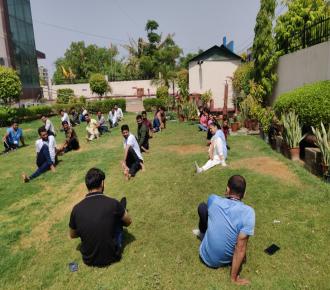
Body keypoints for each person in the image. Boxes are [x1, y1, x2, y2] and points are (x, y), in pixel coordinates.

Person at [193, 175, 255, 286]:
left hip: (204, 255)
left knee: (203, 207)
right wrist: (234, 278)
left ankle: (203, 234)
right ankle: (206, 236)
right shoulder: (249, 213)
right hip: (226, 260)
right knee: (240, 234)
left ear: (227, 190)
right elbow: (240, 248)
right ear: (244, 194)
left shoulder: (213, 199)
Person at [69, 168, 132, 267]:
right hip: (113, 255)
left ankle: (122, 208)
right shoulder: (112, 203)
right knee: (117, 220)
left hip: (89, 260)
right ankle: (122, 208)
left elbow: (72, 235)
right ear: (102, 183)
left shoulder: (76, 209)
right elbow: (128, 222)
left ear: (87, 185)